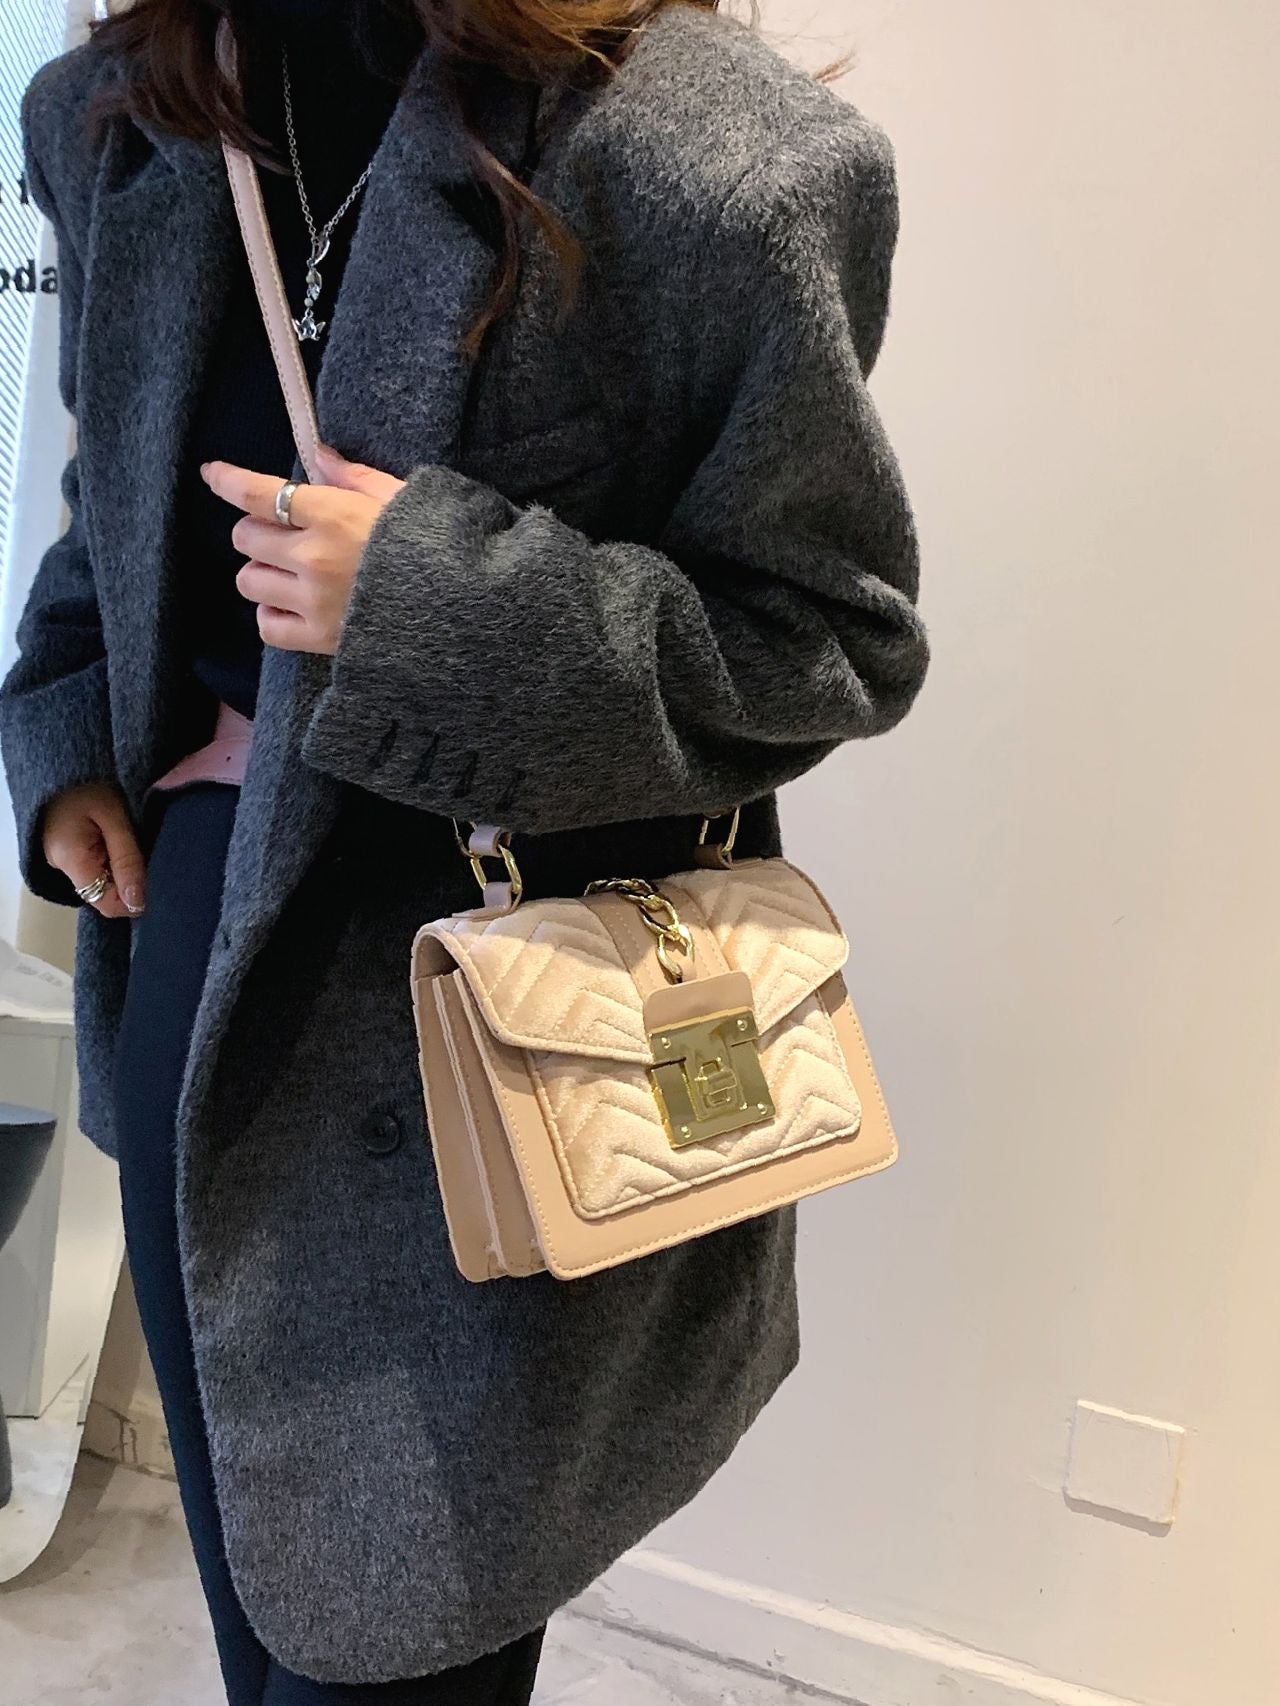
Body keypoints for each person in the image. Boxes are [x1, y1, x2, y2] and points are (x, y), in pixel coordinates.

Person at [0, 0, 929, 1701]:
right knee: (268, 1623)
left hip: (493, 1039)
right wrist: (62, 733)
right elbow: (106, 500)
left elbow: (826, 639)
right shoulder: (125, 118)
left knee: (388, 1660)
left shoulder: (712, 163)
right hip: (202, 972)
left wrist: (432, 600)